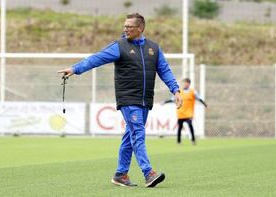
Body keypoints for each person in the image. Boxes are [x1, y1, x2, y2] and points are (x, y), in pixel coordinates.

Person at [57, 13, 182, 188]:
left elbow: (165, 70)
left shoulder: (154, 48)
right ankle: (149, 173)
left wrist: (175, 90)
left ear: (140, 28)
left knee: (130, 136)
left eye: (129, 26)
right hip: (128, 98)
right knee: (138, 133)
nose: (125, 29)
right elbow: (96, 58)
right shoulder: (119, 46)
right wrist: (75, 68)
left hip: (145, 100)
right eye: (124, 26)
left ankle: (120, 174)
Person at [163, 78, 208, 145]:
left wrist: (205, 104)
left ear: (189, 84)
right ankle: (178, 141)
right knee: (180, 127)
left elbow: (199, 98)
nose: (184, 84)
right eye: (184, 83)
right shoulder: (180, 91)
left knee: (190, 125)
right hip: (180, 112)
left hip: (189, 113)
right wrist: (165, 102)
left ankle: (193, 140)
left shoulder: (193, 92)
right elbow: (172, 99)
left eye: (186, 83)